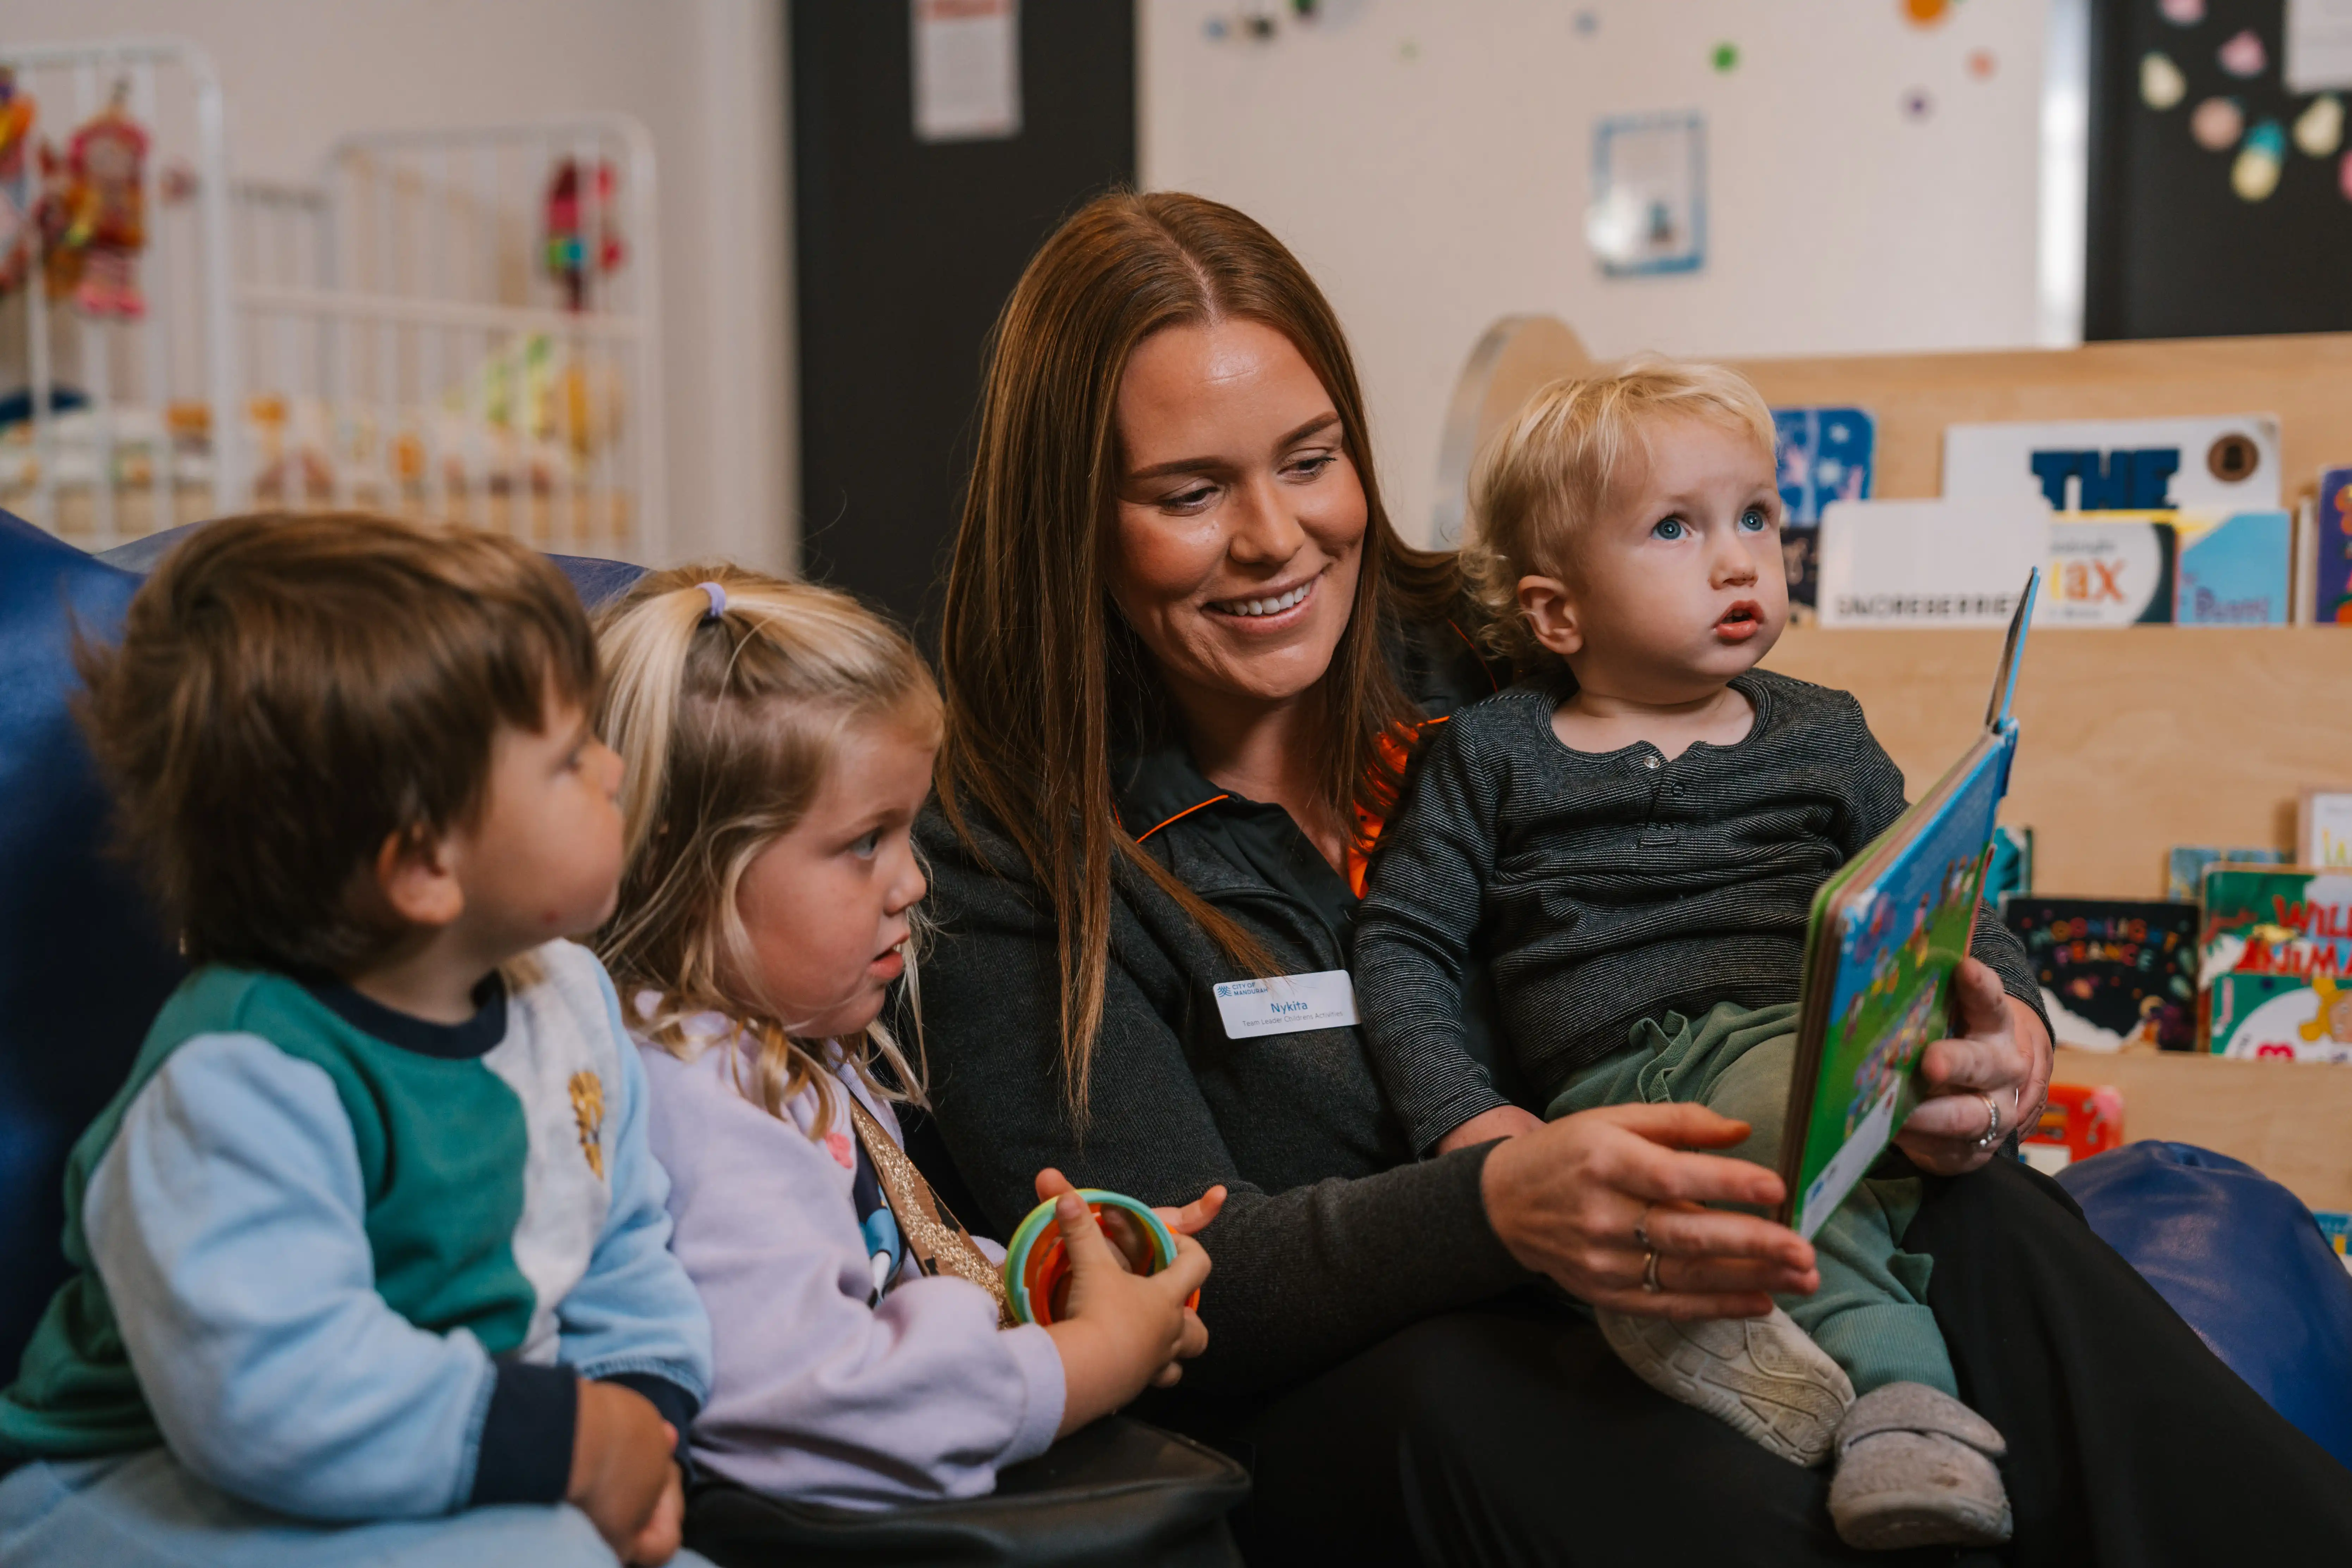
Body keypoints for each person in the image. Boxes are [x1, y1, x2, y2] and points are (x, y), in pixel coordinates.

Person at [912, 188, 2352, 1566]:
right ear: (1072, 519)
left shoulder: (1499, 637)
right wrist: (1497, 1204)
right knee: (1480, 1408)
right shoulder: (1001, 847)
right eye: (1189, 492)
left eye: (1309, 459)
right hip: (1378, 1382)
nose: (1276, 537)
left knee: (1977, 1212)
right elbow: (1166, 1272)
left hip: (1692, 1233)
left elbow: (1845, 828)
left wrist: (2004, 1022)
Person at [1353, 361, 2033, 1549]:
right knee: (1679, 1197)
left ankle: (1835, 1377)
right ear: (1557, 614)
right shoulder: (1491, 753)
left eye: (1756, 517)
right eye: (1676, 528)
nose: (1739, 562)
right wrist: (1468, 1120)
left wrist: (2007, 1012)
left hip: (1798, 1042)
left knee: (1823, 1137)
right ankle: (1884, 1397)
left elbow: (1942, 896)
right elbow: (1403, 943)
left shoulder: (1824, 730)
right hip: (1610, 1089)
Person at [0, 513, 714, 1567]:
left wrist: (643, 1426)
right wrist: (570, 1441)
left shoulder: (569, 1002)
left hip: (442, 1460)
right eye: (570, 758)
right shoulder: (239, 1082)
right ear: (422, 867)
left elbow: (622, 1254)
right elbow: (271, 1393)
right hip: (135, 1478)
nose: (613, 770)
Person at [590, 565, 1215, 1509]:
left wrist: (1050, 1277)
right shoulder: (700, 1097)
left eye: (906, 832)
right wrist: (1091, 1358)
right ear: (685, 863)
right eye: (863, 842)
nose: (913, 882)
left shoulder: (788, 1047)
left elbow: (878, 1269)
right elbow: (819, 1408)